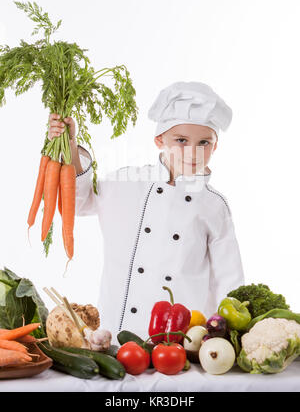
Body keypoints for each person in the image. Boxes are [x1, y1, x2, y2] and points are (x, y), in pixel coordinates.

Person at [48, 81, 244, 343]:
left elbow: (229, 281)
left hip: (182, 343)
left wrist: (226, 337)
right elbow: (80, 204)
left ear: (215, 146)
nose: (193, 151)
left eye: (204, 142)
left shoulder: (214, 205)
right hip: (113, 338)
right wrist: (70, 145)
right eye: (181, 140)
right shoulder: (126, 183)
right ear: (160, 140)